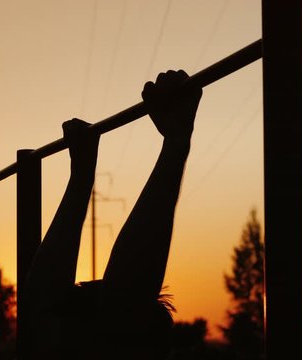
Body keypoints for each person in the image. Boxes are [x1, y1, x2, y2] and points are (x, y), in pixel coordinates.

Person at [25, 70, 203, 359]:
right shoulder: (108, 326)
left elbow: (45, 304)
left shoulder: (81, 335)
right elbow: (116, 304)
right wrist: (176, 140)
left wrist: (81, 178)